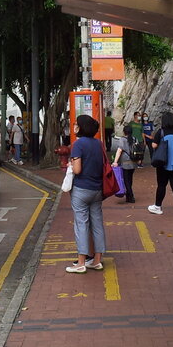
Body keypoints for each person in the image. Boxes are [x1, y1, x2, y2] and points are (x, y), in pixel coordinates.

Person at [66, 114, 107, 273]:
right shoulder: (99, 143)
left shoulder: (78, 144)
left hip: (81, 190)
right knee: (97, 224)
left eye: (76, 124)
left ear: (81, 127)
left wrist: (70, 164)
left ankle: (81, 262)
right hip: (97, 189)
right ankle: (97, 260)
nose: (74, 126)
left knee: (81, 224)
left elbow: (77, 170)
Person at [148, 112, 173, 216]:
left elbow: (154, 145)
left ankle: (157, 206)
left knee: (161, 185)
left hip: (163, 164)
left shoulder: (161, 132)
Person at [112, 124, 137, 203]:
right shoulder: (134, 139)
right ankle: (129, 197)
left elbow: (119, 151)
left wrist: (115, 161)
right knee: (130, 179)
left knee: (126, 180)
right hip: (133, 162)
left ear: (124, 132)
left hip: (125, 163)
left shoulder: (122, 139)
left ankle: (131, 196)